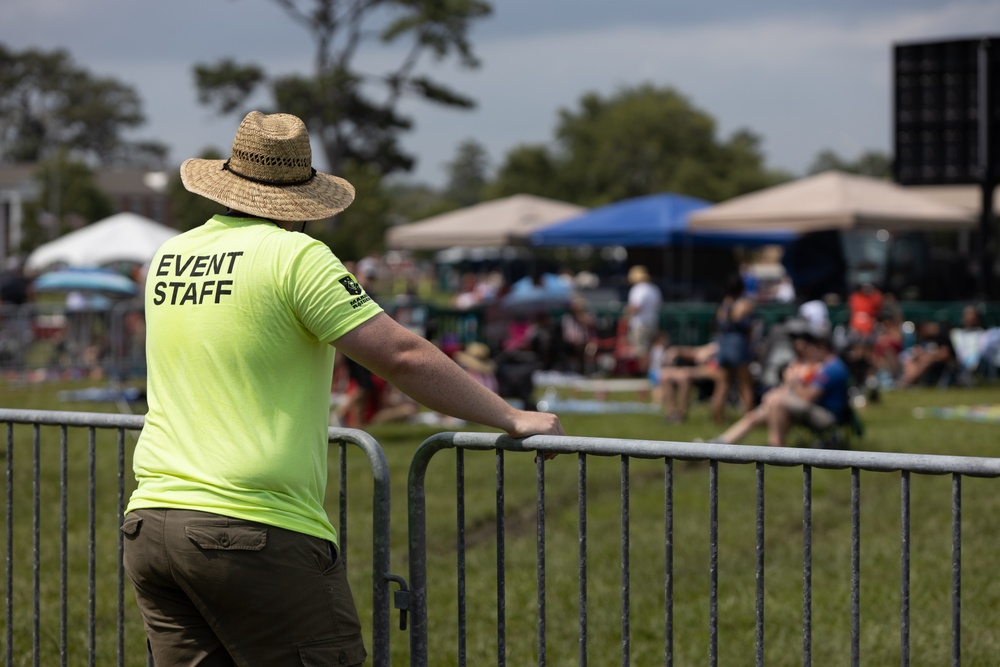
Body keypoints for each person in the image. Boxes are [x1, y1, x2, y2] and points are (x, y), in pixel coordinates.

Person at [120, 111, 564, 667]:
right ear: (301, 199)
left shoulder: (169, 255)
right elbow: (401, 355)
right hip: (252, 526)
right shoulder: (295, 257)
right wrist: (511, 417)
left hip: (152, 520)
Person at [706, 327, 849, 448]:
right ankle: (721, 443)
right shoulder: (820, 365)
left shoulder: (832, 368)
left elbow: (807, 397)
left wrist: (792, 382)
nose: (806, 351)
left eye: (809, 347)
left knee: (777, 401)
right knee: (756, 415)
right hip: (809, 409)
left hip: (828, 417)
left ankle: (776, 446)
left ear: (821, 348)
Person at [711, 274, 757, 424]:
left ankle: (717, 417)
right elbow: (749, 328)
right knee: (745, 383)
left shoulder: (723, 305)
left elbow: (719, 325)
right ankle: (749, 420)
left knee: (723, 383)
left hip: (724, 344)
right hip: (738, 344)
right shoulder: (745, 304)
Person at [624, 265, 662, 376]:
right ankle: (651, 372)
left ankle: (645, 373)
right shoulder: (654, 289)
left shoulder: (638, 289)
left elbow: (635, 307)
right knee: (650, 350)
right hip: (653, 322)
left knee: (642, 351)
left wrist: (627, 315)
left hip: (641, 324)